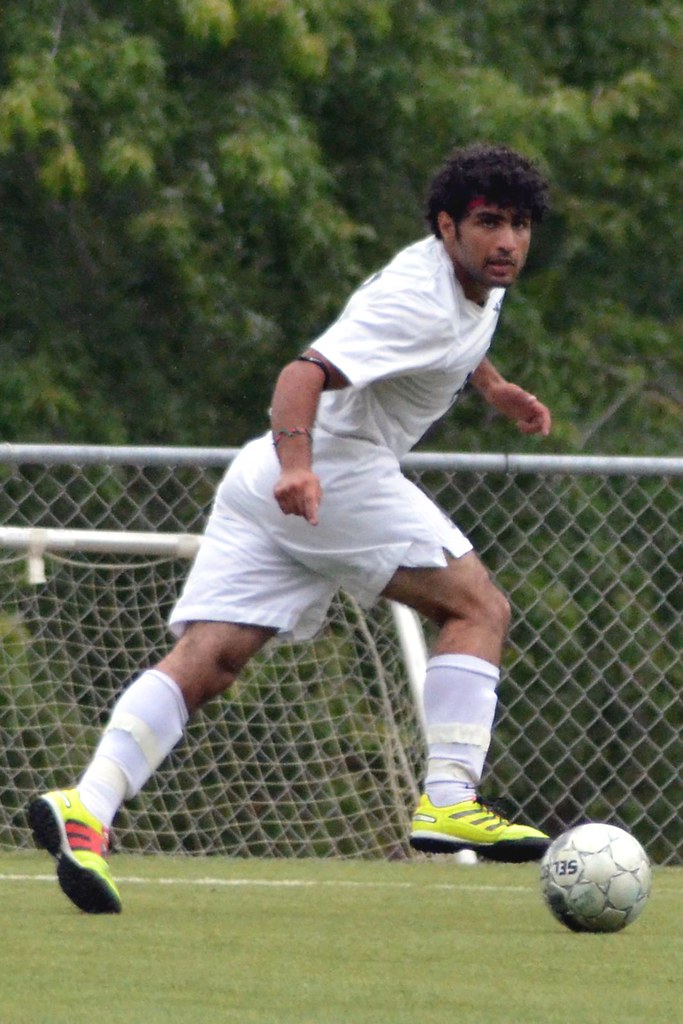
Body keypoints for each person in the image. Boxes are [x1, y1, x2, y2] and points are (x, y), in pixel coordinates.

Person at [29, 143, 553, 914]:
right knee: (478, 608)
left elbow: (451, 343)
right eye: (486, 223)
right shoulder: (416, 296)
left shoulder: (478, 283)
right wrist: (299, 466)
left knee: (210, 659)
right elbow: (300, 374)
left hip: (264, 481)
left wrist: (494, 386)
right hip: (326, 471)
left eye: (517, 224)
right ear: (447, 226)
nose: (505, 241)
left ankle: (88, 806)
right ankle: (446, 795)